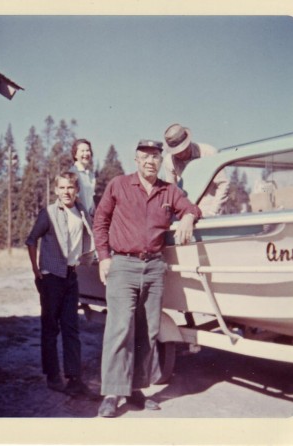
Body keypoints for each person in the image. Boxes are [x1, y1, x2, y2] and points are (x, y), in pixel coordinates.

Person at [93, 139, 202, 417]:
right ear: (136, 160)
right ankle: (111, 392)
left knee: (147, 331)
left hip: (154, 268)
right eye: (145, 156)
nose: (150, 161)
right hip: (123, 266)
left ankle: (135, 390)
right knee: (119, 330)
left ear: (159, 161)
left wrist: (188, 218)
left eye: (155, 157)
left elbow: (191, 207)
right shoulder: (119, 184)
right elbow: (101, 221)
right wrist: (104, 257)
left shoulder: (169, 191)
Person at [25, 171, 97, 398]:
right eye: (62, 188)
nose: (67, 192)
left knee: (71, 328)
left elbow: (90, 233)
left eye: (71, 188)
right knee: (50, 327)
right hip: (51, 277)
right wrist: (37, 273)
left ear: (77, 190)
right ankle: (53, 376)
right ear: (56, 190)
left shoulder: (81, 210)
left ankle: (75, 379)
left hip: (71, 275)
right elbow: (31, 240)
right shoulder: (49, 213)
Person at [163, 123, 229, 216]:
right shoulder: (169, 160)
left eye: (183, 150)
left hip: (210, 211)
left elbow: (223, 184)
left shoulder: (209, 153)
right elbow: (171, 190)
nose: (180, 154)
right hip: (185, 213)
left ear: (188, 142)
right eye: (176, 152)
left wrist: (213, 212)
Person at [69, 138, 96, 216]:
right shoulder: (73, 173)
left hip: (89, 217)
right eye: (82, 151)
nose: (86, 153)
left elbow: (91, 200)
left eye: (88, 150)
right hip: (76, 215)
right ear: (75, 155)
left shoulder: (91, 175)